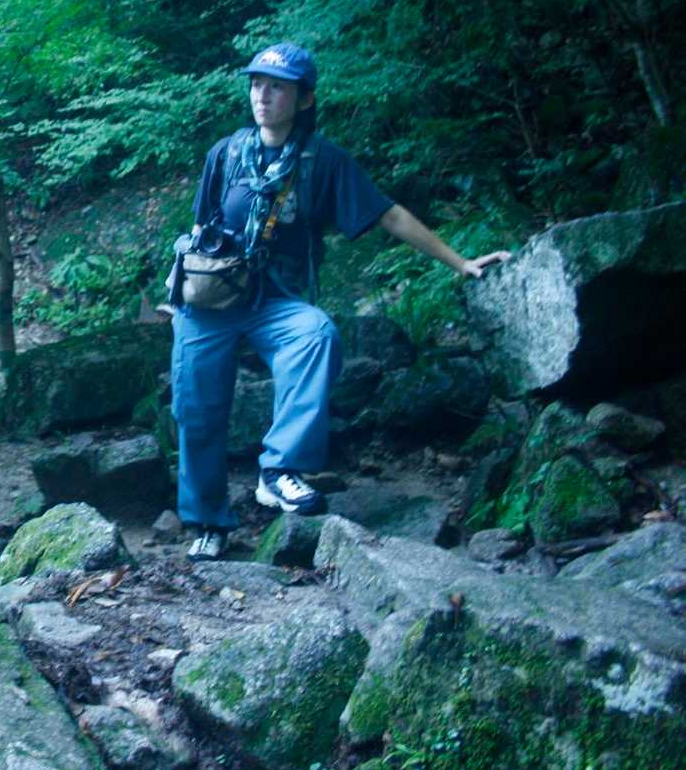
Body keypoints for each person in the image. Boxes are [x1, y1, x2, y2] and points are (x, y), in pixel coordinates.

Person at [171, 42, 510, 562]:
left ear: (304, 99)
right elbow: (201, 229)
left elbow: (388, 214)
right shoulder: (226, 153)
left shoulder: (323, 161)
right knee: (197, 409)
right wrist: (179, 296)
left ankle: (279, 468)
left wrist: (459, 261)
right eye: (257, 84)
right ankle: (208, 522)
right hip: (211, 299)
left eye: (277, 87)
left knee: (315, 334)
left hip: (275, 299)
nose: (263, 96)